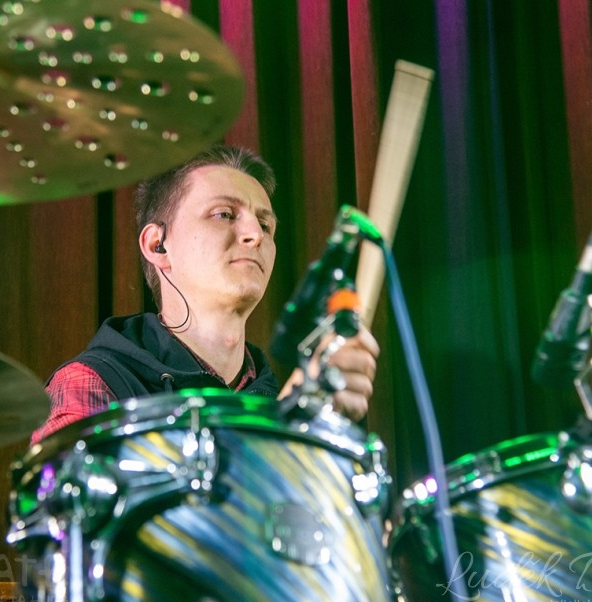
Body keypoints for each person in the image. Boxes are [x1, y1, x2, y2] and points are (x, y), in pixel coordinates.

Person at [31, 144, 379, 443]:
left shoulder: (273, 401)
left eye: (265, 224)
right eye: (224, 214)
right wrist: (285, 434)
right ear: (158, 245)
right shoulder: (91, 382)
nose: (255, 234)